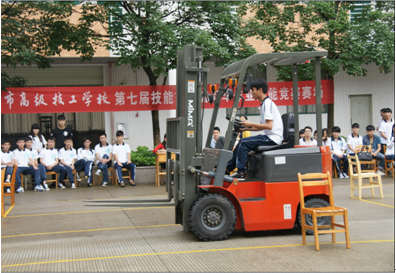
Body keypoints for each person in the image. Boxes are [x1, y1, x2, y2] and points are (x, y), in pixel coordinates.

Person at [227, 78, 283, 179]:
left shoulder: (267, 104)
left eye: (253, 90)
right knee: (242, 142)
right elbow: (262, 127)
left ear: (260, 90)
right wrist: (246, 128)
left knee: (243, 143)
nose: (251, 93)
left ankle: (240, 172)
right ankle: (228, 168)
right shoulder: (263, 105)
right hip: (269, 136)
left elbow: (269, 126)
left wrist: (250, 123)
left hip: (272, 138)